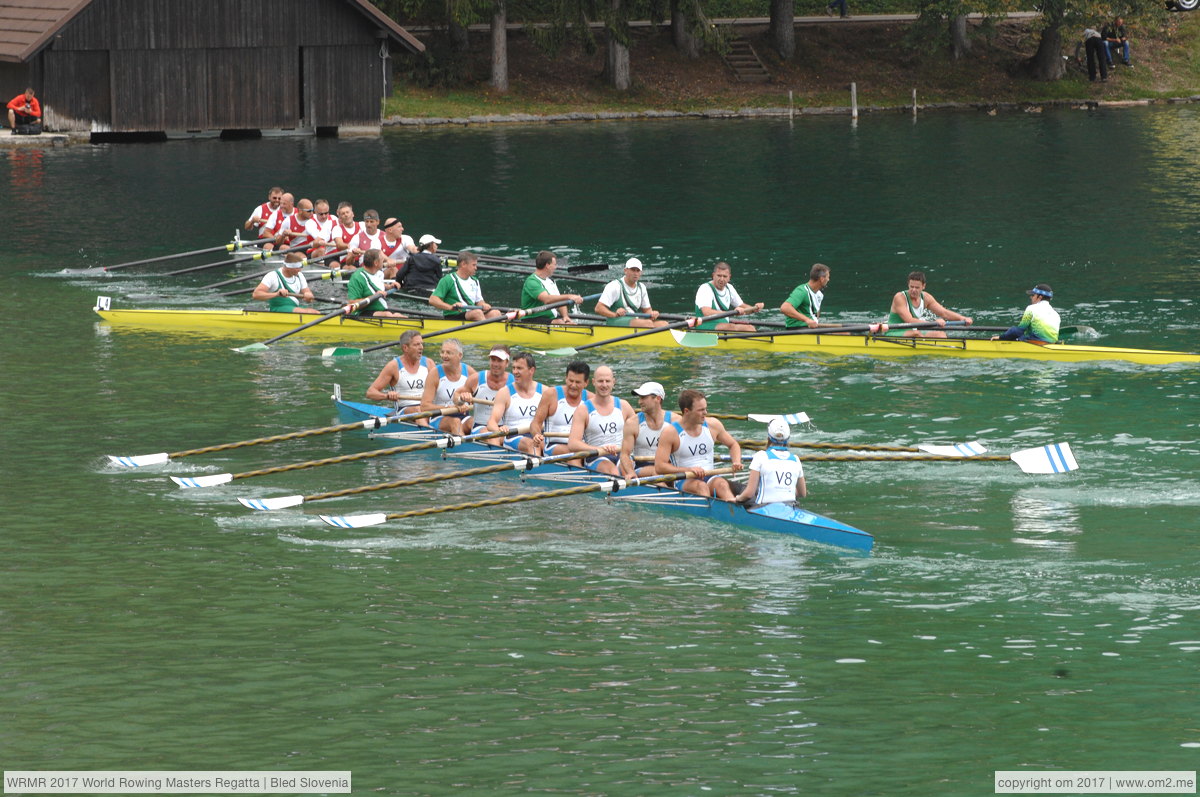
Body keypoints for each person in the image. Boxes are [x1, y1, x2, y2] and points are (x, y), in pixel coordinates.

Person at [654, 388, 743, 500]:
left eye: (705, 409)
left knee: (722, 485)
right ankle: (708, 515)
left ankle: (733, 510)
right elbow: (660, 466)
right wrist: (688, 470)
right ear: (686, 411)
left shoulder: (713, 425)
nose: (705, 413)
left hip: (709, 475)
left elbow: (733, 444)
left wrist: (736, 461)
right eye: (700, 410)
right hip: (684, 479)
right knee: (701, 487)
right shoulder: (670, 432)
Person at [568, 365, 635, 474]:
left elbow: (639, 433)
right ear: (593, 382)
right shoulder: (583, 410)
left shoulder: (624, 406)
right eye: (600, 381)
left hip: (621, 454)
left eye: (607, 381)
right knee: (613, 471)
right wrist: (600, 449)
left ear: (613, 382)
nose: (604, 385)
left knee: (628, 472)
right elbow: (573, 444)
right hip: (596, 457)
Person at [366, 330, 438, 424]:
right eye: (416, 345)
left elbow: (441, 388)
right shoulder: (393, 366)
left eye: (421, 344)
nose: (421, 347)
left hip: (427, 405)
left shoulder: (429, 363)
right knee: (418, 410)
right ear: (405, 348)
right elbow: (370, 392)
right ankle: (433, 434)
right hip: (404, 410)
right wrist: (387, 395)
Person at [735, 419, 807, 507]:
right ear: (788, 438)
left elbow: (749, 493)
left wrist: (737, 499)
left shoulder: (760, 456)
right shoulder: (796, 459)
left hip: (763, 509)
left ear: (768, 437)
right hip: (790, 507)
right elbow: (802, 493)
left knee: (741, 491)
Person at [884, 271, 973, 338]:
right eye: (911, 287)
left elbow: (944, 313)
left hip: (912, 330)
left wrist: (962, 318)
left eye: (917, 287)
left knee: (940, 334)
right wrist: (934, 323)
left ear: (923, 286)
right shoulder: (900, 297)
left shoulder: (926, 297)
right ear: (908, 285)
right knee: (916, 333)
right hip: (894, 331)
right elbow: (910, 320)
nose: (913, 290)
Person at [487, 352, 545, 453]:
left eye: (519, 368)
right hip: (513, 436)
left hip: (539, 434)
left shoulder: (545, 392)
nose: (515, 372)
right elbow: (491, 422)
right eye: (513, 368)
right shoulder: (504, 393)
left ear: (531, 370)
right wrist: (499, 430)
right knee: (531, 444)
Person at [531, 361, 590, 456]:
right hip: (554, 446)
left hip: (581, 447)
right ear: (566, 378)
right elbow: (535, 423)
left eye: (578, 382)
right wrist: (537, 435)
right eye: (571, 381)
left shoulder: (590, 399)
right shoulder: (551, 395)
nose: (573, 385)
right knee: (575, 454)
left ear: (586, 383)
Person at [420, 338, 477, 436]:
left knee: (474, 423)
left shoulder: (469, 372)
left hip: (463, 416)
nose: (444, 356)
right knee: (455, 422)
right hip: (439, 417)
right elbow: (424, 406)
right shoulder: (435, 374)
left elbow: (481, 396)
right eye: (442, 352)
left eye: (448, 353)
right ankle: (463, 449)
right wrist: (448, 407)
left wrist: (472, 399)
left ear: (460, 355)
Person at [619, 381, 674, 479]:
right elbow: (625, 454)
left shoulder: (675, 421)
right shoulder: (632, 423)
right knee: (656, 472)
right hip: (642, 467)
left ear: (657, 398)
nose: (639, 402)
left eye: (643, 398)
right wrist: (630, 472)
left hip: (668, 466)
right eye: (640, 398)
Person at [594, 258, 666, 328]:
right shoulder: (614, 286)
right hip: (615, 321)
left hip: (634, 320)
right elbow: (599, 308)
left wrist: (652, 314)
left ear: (641, 273)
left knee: (664, 324)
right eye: (633, 270)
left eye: (638, 271)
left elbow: (647, 310)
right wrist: (614, 314)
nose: (635, 273)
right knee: (647, 324)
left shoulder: (642, 287)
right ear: (625, 270)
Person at [429, 251, 501, 321]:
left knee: (495, 313)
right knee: (477, 313)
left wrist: (484, 304)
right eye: (473, 265)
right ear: (463, 264)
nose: (476, 268)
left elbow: (479, 301)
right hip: (454, 315)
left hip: (471, 314)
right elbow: (433, 300)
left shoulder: (475, 281)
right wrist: (451, 307)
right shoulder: (448, 279)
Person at [459, 346, 515, 434]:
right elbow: (456, 396)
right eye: (493, 360)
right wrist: (461, 399)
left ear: (507, 363)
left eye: (499, 361)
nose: (495, 364)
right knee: (491, 435)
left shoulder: (514, 383)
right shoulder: (476, 378)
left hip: (505, 428)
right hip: (480, 426)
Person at [695, 261, 763, 332]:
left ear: (729, 277)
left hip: (723, 324)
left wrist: (754, 308)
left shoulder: (729, 288)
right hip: (705, 325)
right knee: (748, 329)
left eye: (725, 276)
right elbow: (707, 312)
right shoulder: (705, 288)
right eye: (719, 275)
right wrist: (733, 312)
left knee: (750, 327)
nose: (721, 279)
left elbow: (743, 307)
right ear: (713, 275)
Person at [521, 251, 583, 324]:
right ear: (547, 265)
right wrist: (570, 296)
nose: (555, 267)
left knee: (567, 322)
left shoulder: (551, 280)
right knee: (559, 322)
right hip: (532, 318)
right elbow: (547, 299)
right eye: (554, 264)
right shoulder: (532, 282)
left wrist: (565, 316)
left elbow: (559, 301)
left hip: (549, 318)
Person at [250, 252, 318, 313]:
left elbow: (308, 294)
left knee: (316, 313)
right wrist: (276, 294)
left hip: (294, 308)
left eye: (300, 267)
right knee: (309, 312)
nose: (300, 270)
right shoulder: (272, 276)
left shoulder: (299, 275)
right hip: (278, 309)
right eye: (297, 268)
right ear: (288, 268)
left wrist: (308, 296)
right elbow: (256, 295)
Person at [992, 284, 1061, 343]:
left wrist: (1001, 337)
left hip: (1035, 343)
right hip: (1051, 344)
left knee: (1014, 330)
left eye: (1033, 295)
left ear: (1040, 297)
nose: (1031, 297)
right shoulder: (1056, 315)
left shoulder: (1031, 309)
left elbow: (1018, 331)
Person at [345, 249, 404, 318]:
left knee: (399, 315)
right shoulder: (357, 278)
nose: (384, 261)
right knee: (388, 315)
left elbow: (374, 285)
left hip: (379, 309)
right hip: (361, 313)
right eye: (382, 259)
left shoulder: (377, 273)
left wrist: (390, 286)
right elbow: (352, 303)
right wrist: (374, 296)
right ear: (376, 263)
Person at [781, 264, 831, 329]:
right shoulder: (801, 291)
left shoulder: (819, 294)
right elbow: (784, 308)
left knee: (845, 332)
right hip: (797, 330)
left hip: (811, 329)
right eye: (828, 277)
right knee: (845, 333)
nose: (828, 280)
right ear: (822, 279)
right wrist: (807, 320)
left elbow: (816, 315)